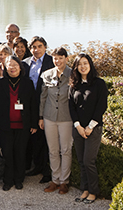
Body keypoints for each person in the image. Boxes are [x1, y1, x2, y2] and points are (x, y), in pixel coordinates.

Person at [0, 56, 38, 191]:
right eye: (10, 65)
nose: (13, 68)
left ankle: (19, 179)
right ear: (5, 67)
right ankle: (7, 180)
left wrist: (34, 124)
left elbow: (33, 105)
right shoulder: (0, 83)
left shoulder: (27, 83)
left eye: (15, 65)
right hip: (5, 125)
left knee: (20, 153)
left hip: (23, 125)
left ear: (20, 67)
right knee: (7, 154)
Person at [69, 53, 109, 205]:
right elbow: (71, 106)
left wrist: (90, 127)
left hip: (94, 128)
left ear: (90, 65)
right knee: (80, 160)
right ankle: (84, 189)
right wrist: (78, 126)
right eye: (80, 64)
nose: (83, 66)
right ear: (76, 67)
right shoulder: (74, 84)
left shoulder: (99, 84)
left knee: (88, 161)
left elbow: (101, 106)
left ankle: (93, 191)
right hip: (78, 128)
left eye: (85, 63)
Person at [39, 47, 74, 195]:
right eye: (55, 58)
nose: (57, 61)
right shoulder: (47, 75)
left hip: (66, 118)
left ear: (66, 58)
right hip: (49, 117)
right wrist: (41, 117)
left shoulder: (73, 75)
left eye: (60, 58)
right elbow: (43, 97)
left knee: (65, 150)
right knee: (53, 150)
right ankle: (55, 179)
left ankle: (64, 181)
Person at [23, 36, 54, 182]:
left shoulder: (51, 62)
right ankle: (36, 166)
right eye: (34, 47)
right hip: (29, 106)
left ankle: (47, 171)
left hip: (47, 104)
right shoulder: (25, 63)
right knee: (34, 137)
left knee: (47, 139)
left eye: (39, 46)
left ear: (45, 47)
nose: (36, 49)